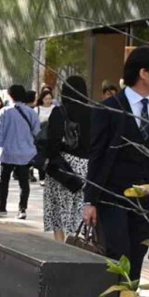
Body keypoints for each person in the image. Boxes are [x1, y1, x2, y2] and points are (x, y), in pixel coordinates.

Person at [84, 48, 149, 282]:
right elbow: (97, 156)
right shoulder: (109, 108)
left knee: (136, 258)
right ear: (144, 73)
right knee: (117, 255)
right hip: (113, 198)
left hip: (147, 201)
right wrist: (89, 201)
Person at [43, 76, 93, 243]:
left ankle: (60, 246)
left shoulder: (59, 112)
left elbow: (53, 144)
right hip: (86, 167)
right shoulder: (93, 112)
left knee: (58, 211)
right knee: (79, 210)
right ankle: (76, 243)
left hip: (63, 167)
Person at [0, 85, 39, 219]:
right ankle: (22, 209)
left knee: (4, 180)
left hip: (7, 152)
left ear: (10, 96)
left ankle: (2, 207)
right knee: (24, 182)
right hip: (25, 153)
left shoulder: (4, 112)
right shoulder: (31, 112)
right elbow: (37, 131)